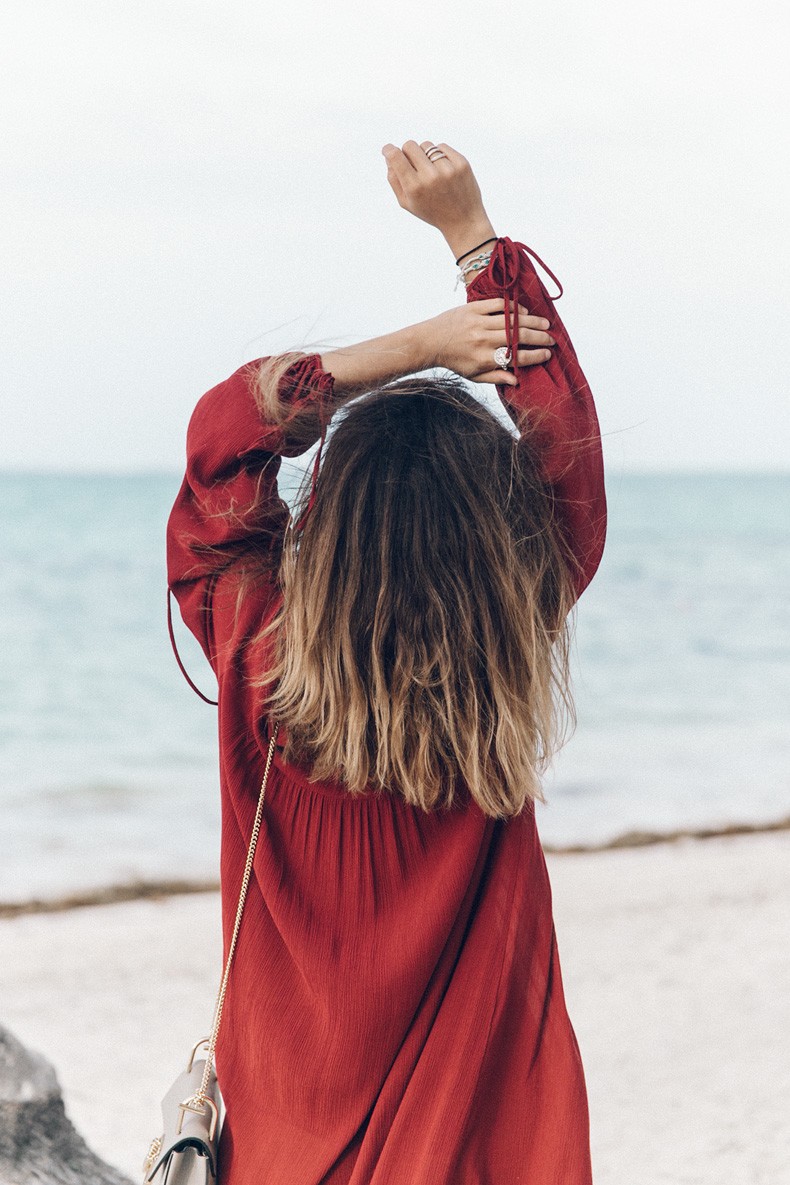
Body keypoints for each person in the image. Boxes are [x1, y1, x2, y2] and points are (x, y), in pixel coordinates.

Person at [167, 139, 607, 1185]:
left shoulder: (253, 656)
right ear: (501, 544)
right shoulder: (508, 647)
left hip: (287, 1156)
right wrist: (472, 245)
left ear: (326, 516)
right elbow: (567, 447)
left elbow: (222, 441)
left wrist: (417, 346)